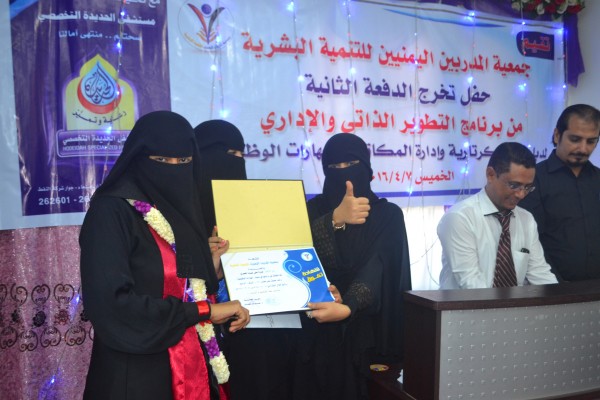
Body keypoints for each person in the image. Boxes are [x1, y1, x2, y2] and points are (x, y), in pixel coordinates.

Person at [79, 111, 250, 400]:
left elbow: (178, 282)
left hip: (193, 366)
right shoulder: (111, 212)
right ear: (138, 157)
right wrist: (204, 311)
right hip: (135, 374)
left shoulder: (183, 211)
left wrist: (210, 271)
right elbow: (112, 306)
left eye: (183, 162)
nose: (173, 169)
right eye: (161, 160)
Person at [293, 133, 412, 400]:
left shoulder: (388, 214)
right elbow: (297, 253)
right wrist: (334, 220)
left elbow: (379, 265)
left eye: (351, 165)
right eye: (335, 167)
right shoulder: (312, 210)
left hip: (369, 336)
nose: (344, 173)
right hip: (316, 333)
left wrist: (349, 305)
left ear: (367, 169)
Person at [437, 142, 558, 289]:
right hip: (468, 304)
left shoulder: (526, 219)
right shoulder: (460, 218)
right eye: (514, 185)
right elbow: (470, 282)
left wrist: (559, 300)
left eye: (527, 187)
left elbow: (541, 274)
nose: (521, 194)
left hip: (514, 304)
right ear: (490, 175)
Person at [519, 104, 600, 281]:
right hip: (552, 288)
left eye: (591, 141)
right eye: (575, 139)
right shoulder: (534, 180)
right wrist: (557, 285)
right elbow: (529, 241)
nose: (583, 149)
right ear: (557, 135)